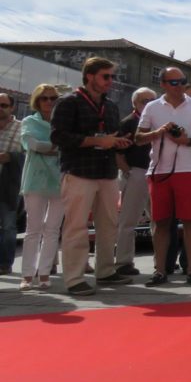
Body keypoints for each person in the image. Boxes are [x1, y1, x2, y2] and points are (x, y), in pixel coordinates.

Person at [49, 57, 134, 295]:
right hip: (79, 172)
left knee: (108, 225)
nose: (110, 81)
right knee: (76, 227)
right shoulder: (68, 102)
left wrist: (118, 142)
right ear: (89, 76)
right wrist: (98, 141)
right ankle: (74, 278)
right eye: (105, 76)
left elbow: (109, 137)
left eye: (111, 76)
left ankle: (106, 271)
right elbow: (58, 137)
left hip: (107, 172)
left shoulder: (112, 106)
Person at [135, 67, 191, 287]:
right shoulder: (152, 107)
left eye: (182, 81)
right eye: (173, 82)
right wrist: (158, 132)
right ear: (162, 84)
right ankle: (160, 270)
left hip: (189, 170)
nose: (179, 86)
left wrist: (189, 141)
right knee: (161, 222)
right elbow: (138, 138)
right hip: (159, 171)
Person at [19, 86, 62, 290]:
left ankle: (44, 273)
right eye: (44, 98)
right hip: (35, 179)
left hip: (60, 179)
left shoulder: (63, 123)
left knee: (53, 229)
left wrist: (47, 147)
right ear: (37, 100)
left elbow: (68, 146)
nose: (48, 101)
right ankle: (27, 274)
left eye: (53, 98)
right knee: (33, 229)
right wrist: (54, 147)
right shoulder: (29, 121)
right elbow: (31, 145)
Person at [112, 87, 156, 276]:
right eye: (143, 101)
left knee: (159, 220)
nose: (147, 105)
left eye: (151, 101)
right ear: (135, 103)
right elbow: (118, 153)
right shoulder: (128, 123)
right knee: (129, 221)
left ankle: (162, 260)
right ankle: (123, 262)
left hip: (157, 173)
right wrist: (128, 172)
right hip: (137, 172)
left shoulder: (158, 121)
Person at [0, 92, 23, 277]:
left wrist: (9, 157)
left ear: (12, 107)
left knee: (8, 226)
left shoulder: (22, 127)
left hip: (9, 184)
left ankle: (5, 263)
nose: (1, 108)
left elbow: (29, 156)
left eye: (4, 105)